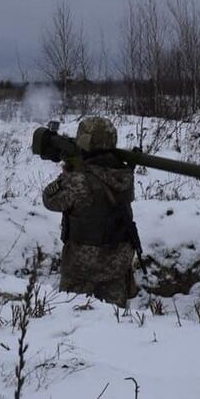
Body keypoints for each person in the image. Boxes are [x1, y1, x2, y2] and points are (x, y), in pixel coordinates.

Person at [41, 117, 139, 307]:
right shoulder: (124, 174)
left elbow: (49, 199)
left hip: (82, 268)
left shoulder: (79, 180)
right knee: (116, 323)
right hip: (117, 265)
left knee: (73, 323)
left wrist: (69, 172)